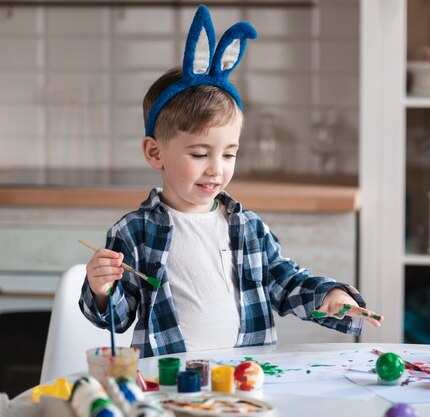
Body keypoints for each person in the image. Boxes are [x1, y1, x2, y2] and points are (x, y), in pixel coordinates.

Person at [79, 5, 382, 358]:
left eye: (228, 154)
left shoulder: (248, 227)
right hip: (170, 384)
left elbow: (286, 282)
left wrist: (330, 296)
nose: (215, 170)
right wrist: (101, 290)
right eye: (199, 154)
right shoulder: (134, 232)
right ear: (154, 152)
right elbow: (117, 319)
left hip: (244, 381)